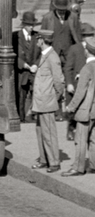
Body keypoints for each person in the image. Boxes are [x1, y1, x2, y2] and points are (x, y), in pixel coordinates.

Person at [62, 34, 95, 177]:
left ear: (86, 50)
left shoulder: (86, 69)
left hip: (85, 111)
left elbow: (80, 92)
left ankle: (78, 167)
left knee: (80, 140)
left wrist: (71, 107)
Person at [63, 24, 95, 143]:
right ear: (82, 37)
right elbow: (68, 68)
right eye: (87, 36)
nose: (89, 38)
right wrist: (69, 83)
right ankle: (71, 128)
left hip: (93, 86)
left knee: (91, 108)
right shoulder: (75, 49)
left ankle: (91, 133)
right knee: (74, 108)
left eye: (91, 35)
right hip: (76, 84)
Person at [29, 29, 64, 173]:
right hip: (40, 102)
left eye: (38, 39)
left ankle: (54, 162)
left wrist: (53, 98)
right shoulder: (45, 55)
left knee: (48, 133)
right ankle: (44, 159)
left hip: (47, 102)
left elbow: (59, 82)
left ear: (42, 40)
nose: (37, 41)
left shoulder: (52, 57)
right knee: (40, 132)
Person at [14, 11, 40, 122]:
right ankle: (21, 118)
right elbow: (14, 54)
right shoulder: (15, 36)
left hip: (34, 71)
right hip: (21, 72)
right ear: (24, 25)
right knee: (21, 95)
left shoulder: (37, 36)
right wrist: (24, 65)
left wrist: (36, 65)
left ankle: (33, 116)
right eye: (29, 25)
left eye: (32, 25)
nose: (31, 27)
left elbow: (41, 53)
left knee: (36, 94)